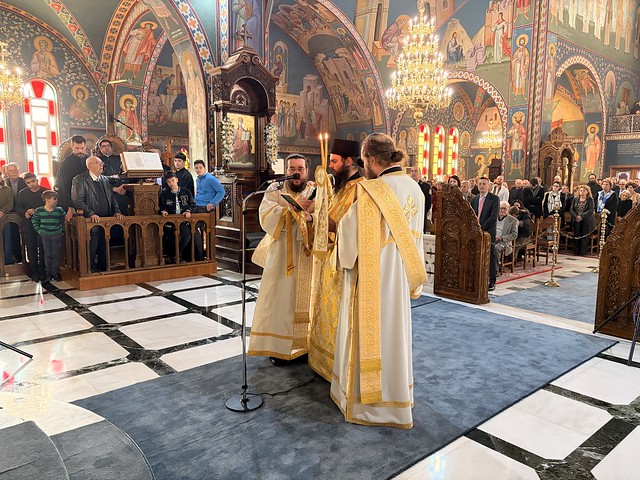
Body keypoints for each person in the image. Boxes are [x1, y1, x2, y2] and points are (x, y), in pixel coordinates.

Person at [330, 133, 426, 429]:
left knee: (371, 334)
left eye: (364, 160)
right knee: (395, 334)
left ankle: (369, 405)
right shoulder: (416, 188)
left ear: (371, 159)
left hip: (374, 277)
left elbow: (349, 236)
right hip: (400, 275)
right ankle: (398, 400)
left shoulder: (371, 191)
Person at [248, 154, 315, 364]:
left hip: (307, 254)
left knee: (306, 300)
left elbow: (324, 218)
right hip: (280, 254)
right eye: (292, 169)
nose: (296, 173)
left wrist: (311, 215)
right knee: (278, 300)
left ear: (306, 171)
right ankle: (278, 349)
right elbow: (265, 215)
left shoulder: (314, 191)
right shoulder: (275, 189)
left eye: (300, 169)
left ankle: (305, 347)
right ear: (286, 170)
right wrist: (292, 208)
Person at [308, 139, 364, 381]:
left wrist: (322, 219)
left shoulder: (361, 189)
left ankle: (338, 367)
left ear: (349, 161)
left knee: (340, 317)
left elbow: (350, 226)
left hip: (346, 262)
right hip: (331, 257)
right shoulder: (342, 186)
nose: (330, 166)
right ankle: (322, 362)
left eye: (334, 161)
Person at [71, 156, 125, 272]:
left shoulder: (104, 179)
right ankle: (89, 268)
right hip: (91, 220)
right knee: (92, 244)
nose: (101, 165)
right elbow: (77, 200)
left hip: (106, 219)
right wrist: (91, 213)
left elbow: (111, 198)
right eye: (98, 163)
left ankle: (103, 267)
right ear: (90, 166)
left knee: (104, 244)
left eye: (101, 163)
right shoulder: (79, 179)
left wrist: (116, 211)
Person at [159, 171, 196, 263]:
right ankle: (173, 256)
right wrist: (163, 211)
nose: (171, 183)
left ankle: (176, 254)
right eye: (168, 182)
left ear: (177, 180)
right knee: (171, 238)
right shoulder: (164, 194)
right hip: (170, 220)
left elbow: (192, 204)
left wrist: (188, 210)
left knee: (186, 236)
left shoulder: (186, 192)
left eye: (172, 180)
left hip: (182, 219)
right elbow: (161, 206)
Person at [16, 173, 46, 281]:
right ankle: (34, 272)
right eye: (28, 183)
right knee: (31, 246)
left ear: (37, 180)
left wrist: (36, 210)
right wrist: (25, 212)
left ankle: (43, 271)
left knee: (42, 247)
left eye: (33, 181)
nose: (31, 184)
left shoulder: (45, 191)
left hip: (43, 223)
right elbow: (18, 208)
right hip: (28, 223)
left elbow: (51, 206)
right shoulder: (22, 193)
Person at [471, 176, 500, 290]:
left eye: (484, 184)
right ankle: (477, 278)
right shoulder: (474, 199)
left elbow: (493, 217)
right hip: (476, 231)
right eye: (480, 184)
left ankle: (491, 280)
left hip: (488, 232)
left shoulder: (494, 199)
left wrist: (481, 228)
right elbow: (472, 216)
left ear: (488, 186)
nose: (482, 186)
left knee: (490, 256)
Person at [193, 160, 225, 260]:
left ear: (205, 168)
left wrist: (212, 203)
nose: (198, 170)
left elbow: (221, 191)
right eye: (196, 168)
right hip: (196, 206)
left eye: (200, 167)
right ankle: (199, 254)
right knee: (192, 229)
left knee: (194, 228)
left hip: (204, 208)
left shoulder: (210, 179)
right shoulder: (198, 179)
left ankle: (201, 255)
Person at [31, 190, 65, 282]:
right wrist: (39, 231)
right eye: (54, 199)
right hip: (45, 235)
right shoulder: (39, 210)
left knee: (56, 254)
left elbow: (64, 220)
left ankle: (55, 272)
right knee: (47, 254)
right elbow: (34, 221)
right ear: (47, 199)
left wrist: (62, 231)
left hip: (57, 234)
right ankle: (48, 273)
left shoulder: (59, 210)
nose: (56, 201)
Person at [55, 135, 89, 221]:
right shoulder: (66, 163)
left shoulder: (90, 160)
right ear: (72, 146)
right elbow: (63, 186)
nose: (80, 151)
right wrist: (70, 206)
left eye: (82, 148)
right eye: (77, 148)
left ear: (85, 146)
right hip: (72, 202)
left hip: (89, 200)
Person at [97, 139, 128, 215]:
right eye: (103, 146)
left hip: (121, 189)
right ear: (100, 149)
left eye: (108, 146)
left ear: (112, 147)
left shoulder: (120, 158)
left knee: (122, 213)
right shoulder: (97, 160)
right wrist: (113, 188)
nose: (106, 147)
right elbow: (98, 177)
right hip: (104, 191)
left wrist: (123, 185)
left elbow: (126, 173)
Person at [3, 163, 26, 264]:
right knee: (12, 236)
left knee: (24, 237)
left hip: (22, 212)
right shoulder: (4, 183)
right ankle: (14, 258)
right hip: (9, 214)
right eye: (11, 170)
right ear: (7, 173)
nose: (13, 172)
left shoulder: (24, 182)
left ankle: (23, 259)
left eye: (15, 170)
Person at [570, 186, 596, 256]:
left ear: (587, 192)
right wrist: (576, 216)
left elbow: (590, 210)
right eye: (581, 190)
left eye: (584, 190)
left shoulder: (590, 200)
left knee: (584, 235)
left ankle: (582, 251)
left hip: (586, 220)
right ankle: (576, 251)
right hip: (576, 219)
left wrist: (581, 216)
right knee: (577, 234)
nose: (582, 192)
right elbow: (571, 209)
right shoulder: (575, 199)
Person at [410, 167, 432, 231]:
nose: (413, 173)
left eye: (416, 171)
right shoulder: (406, 185)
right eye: (412, 171)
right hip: (409, 216)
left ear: (420, 174)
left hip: (421, 216)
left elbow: (428, 203)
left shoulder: (425, 186)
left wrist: (420, 212)